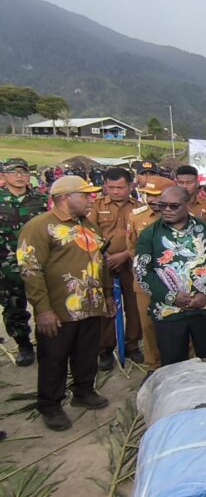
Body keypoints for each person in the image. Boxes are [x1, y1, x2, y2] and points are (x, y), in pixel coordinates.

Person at [17, 175, 112, 431]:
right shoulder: (40, 227)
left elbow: (101, 262)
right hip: (59, 310)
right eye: (85, 195)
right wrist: (43, 310)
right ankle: (50, 404)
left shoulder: (89, 226)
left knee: (87, 353)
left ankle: (83, 391)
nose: (91, 200)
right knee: (54, 358)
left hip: (91, 305)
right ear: (64, 198)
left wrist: (107, 294)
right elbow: (30, 270)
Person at [134, 186, 206, 366]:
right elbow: (142, 271)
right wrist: (171, 297)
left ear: (187, 205)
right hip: (168, 310)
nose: (166, 210)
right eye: (162, 205)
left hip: (205, 308)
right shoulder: (149, 234)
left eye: (174, 206)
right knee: (173, 363)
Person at [88, 167, 143, 370]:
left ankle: (132, 345)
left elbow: (143, 237)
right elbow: (89, 234)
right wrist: (104, 256)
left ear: (130, 186)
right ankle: (106, 349)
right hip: (104, 263)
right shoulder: (96, 206)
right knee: (107, 306)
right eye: (110, 187)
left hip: (131, 262)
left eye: (120, 187)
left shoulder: (139, 208)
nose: (115, 192)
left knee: (134, 306)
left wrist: (125, 254)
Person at [125, 175, 176, 371]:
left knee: (179, 323)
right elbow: (132, 248)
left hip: (176, 280)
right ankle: (154, 366)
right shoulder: (136, 216)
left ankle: (182, 365)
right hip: (146, 280)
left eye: (158, 195)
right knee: (148, 325)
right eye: (148, 195)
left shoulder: (183, 216)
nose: (152, 200)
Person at [0, 160, 47, 366]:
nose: (19, 176)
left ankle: (46, 342)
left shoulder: (42, 200)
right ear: (4, 175)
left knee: (45, 304)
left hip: (38, 263)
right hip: (7, 266)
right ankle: (24, 345)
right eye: (14, 172)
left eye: (23, 172)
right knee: (14, 307)